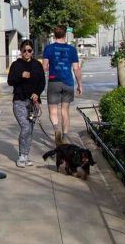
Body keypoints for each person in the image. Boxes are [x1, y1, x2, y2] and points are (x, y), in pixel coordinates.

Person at [7, 39, 45, 167]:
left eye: (29, 50)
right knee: (25, 127)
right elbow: (10, 81)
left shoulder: (37, 65)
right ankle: (21, 155)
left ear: (32, 51)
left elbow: (42, 82)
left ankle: (26, 155)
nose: (27, 53)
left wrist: (37, 93)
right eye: (24, 50)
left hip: (33, 103)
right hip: (19, 101)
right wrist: (21, 76)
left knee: (30, 129)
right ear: (21, 51)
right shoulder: (16, 65)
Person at [41, 25, 82, 145]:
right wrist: (79, 84)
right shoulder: (72, 50)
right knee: (65, 111)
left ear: (54, 35)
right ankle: (65, 137)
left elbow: (44, 67)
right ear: (65, 35)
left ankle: (56, 129)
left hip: (54, 82)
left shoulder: (48, 49)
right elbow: (76, 68)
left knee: (53, 110)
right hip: (68, 82)